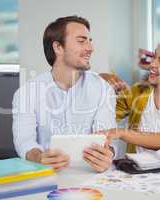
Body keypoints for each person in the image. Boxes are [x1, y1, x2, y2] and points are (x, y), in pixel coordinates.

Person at [12, 16, 117, 172]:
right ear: (58, 47)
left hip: (91, 176)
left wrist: (108, 154)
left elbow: (108, 138)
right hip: (46, 177)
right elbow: (24, 141)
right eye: (82, 41)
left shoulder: (102, 89)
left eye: (90, 40)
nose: (91, 48)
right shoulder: (28, 92)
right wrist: (39, 157)